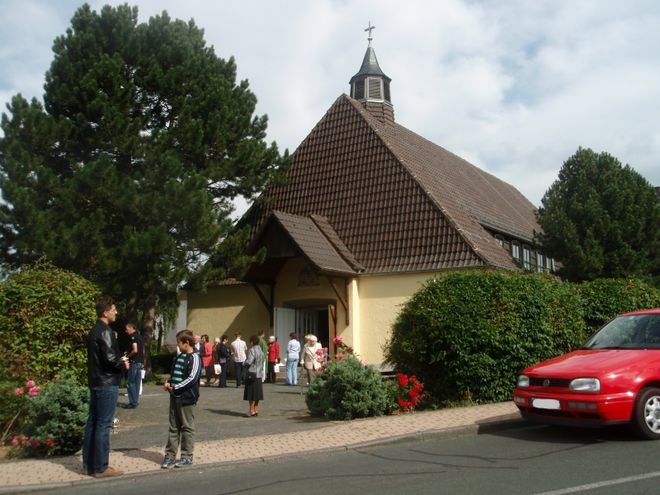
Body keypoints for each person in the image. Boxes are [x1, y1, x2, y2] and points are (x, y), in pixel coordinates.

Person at [82, 296, 129, 478]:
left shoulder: (95, 330)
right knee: (103, 424)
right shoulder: (106, 331)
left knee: (93, 422)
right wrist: (122, 363)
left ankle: (89, 465)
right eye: (113, 309)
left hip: (95, 381)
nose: (116, 312)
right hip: (107, 382)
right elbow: (110, 360)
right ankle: (101, 467)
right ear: (105, 312)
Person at [162, 329, 202, 469]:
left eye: (179, 342)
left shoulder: (195, 358)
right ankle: (170, 456)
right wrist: (169, 382)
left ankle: (186, 457)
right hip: (174, 397)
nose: (177, 345)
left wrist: (177, 387)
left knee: (187, 427)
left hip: (186, 399)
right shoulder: (179, 357)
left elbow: (192, 378)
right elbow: (175, 373)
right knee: (173, 428)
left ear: (186, 343)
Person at [243, 335, 265, 417]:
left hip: (252, 374)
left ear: (252, 342)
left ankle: (251, 410)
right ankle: (256, 409)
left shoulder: (252, 350)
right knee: (257, 393)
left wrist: (243, 363)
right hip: (259, 374)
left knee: (251, 393)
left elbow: (249, 361)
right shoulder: (261, 351)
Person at [124, 322, 144, 409]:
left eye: (127, 329)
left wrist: (127, 357)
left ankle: (132, 402)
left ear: (132, 328)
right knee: (137, 383)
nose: (126, 331)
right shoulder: (140, 337)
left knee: (130, 383)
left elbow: (135, 350)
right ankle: (135, 401)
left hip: (134, 362)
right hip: (140, 362)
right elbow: (141, 351)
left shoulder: (133, 337)